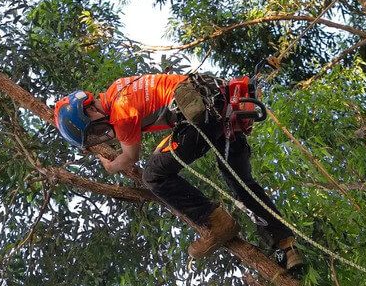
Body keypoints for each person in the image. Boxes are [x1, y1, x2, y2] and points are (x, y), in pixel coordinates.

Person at [54, 73, 303, 270]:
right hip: (219, 102)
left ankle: (217, 223)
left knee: (152, 175)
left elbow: (129, 158)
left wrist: (110, 166)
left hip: (201, 116)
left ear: (90, 110)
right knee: (239, 180)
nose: (101, 134)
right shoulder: (119, 87)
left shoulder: (121, 113)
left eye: (95, 130)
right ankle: (285, 246)